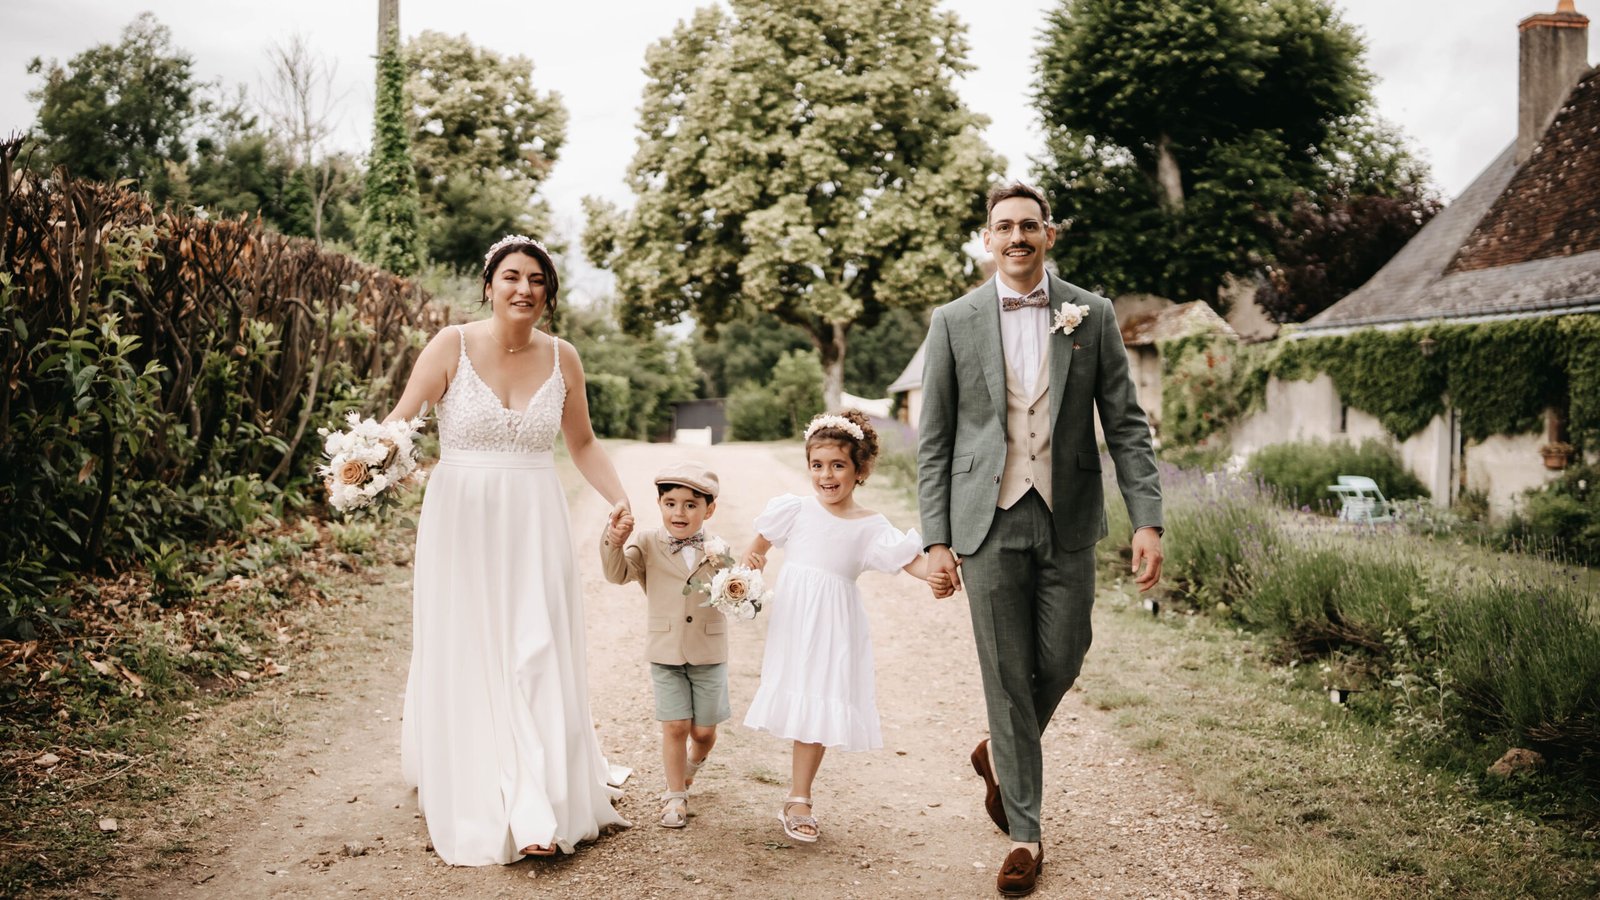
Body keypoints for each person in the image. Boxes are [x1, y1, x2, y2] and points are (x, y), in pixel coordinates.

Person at [916, 183, 1164, 896]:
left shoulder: (1092, 313)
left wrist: (1147, 517)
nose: (1017, 236)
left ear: (1048, 234)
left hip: (1069, 515)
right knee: (1004, 672)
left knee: (1064, 654)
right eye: (1004, 226)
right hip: (986, 518)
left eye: (1030, 225)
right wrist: (936, 538)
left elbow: (1126, 424)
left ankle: (999, 749)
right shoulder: (953, 321)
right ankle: (1026, 834)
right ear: (987, 239)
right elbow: (933, 441)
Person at [383, 234, 632, 865]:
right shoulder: (451, 345)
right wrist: (372, 465)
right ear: (489, 284)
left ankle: (538, 799)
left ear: (548, 294)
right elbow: (399, 423)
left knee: (535, 644)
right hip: (460, 517)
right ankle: (481, 784)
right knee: (470, 643)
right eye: (512, 277)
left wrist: (617, 499)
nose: (525, 289)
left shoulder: (563, 357)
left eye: (538, 281)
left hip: (534, 516)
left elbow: (582, 444)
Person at [740, 410, 951, 843]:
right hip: (796, 620)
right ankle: (796, 795)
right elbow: (755, 549)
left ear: (861, 469)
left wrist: (940, 571)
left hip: (835, 625)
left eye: (838, 465)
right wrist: (748, 569)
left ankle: (800, 798)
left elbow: (913, 562)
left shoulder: (872, 526)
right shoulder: (794, 511)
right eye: (817, 465)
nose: (826, 475)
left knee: (818, 700)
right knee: (798, 694)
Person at [600, 462, 733, 829]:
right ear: (659, 505)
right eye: (671, 503)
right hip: (666, 650)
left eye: (691, 505)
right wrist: (614, 539)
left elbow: (736, 594)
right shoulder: (646, 543)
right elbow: (616, 574)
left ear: (709, 509)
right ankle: (675, 796)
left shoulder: (718, 550)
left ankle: (691, 765)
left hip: (708, 652)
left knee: (703, 733)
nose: (680, 512)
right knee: (675, 726)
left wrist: (745, 588)